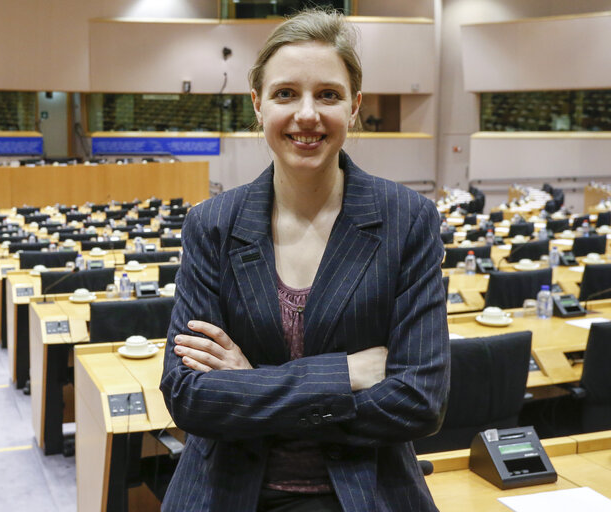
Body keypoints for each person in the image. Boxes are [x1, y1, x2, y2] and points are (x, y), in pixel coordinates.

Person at [160, 9, 449, 512]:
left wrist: (248, 386)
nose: (308, 114)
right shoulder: (212, 225)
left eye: (328, 95)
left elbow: (420, 402)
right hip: (228, 491)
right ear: (258, 105)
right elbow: (190, 398)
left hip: (366, 492)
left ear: (355, 106)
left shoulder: (409, 219)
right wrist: (343, 375)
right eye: (286, 93)